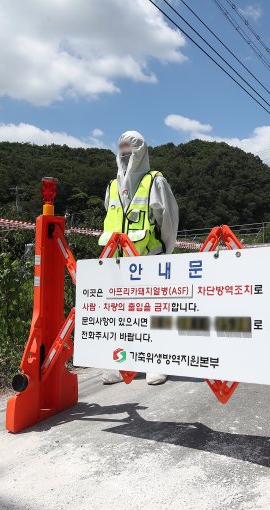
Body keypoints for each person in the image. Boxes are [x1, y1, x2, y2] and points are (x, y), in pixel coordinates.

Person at [99, 131, 179, 385]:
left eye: (129, 148)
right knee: (119, 315)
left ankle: (158, 363)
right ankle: (118, 364)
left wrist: (166, 252)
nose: (124, 153)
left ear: (140, 150)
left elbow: (169, 219)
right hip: (118, 263)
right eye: (121, 147)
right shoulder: (112, 186)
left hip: (148, 261)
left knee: (153, 314)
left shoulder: (155, 181)